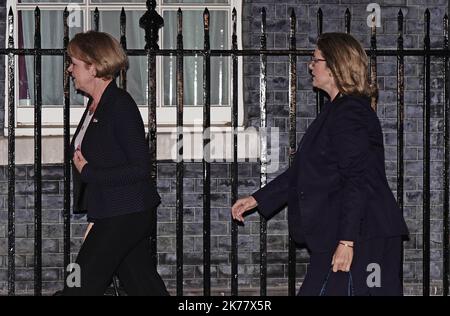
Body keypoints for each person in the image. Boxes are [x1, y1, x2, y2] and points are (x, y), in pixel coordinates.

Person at [231, 32, 409, 296]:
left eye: (316, 60)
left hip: (363, 236)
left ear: (336, 66)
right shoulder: (336, 109)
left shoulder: (349, 113)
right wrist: (258, 199)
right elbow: (306, 170)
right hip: (343, 232)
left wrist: (347, 242)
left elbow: (356, 178)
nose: (310, 66)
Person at [62, 31, 169, 296]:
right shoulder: (94, 107)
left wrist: (89, 172)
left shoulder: (120, 104)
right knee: (144, 286)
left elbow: (140, 167)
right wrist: (95, 216)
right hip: (112, 213)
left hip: (126, 213)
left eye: (74, 63)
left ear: (93, 67)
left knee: (78, 285)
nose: (69, 69)